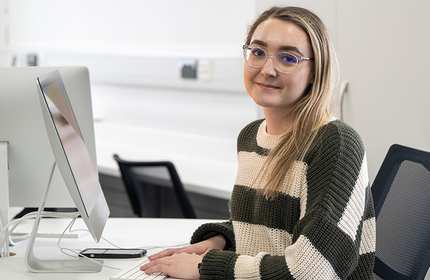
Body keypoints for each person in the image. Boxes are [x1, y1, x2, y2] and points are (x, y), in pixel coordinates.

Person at [141, 6, 376, 280]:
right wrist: (220, 241)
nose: (268, 69)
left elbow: (314, 269)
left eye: (288, 58)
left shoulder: (335, 143)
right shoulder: (251, 137)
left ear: (315, 71)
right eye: (258, 52)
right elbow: (269, 226)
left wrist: (206, 267)